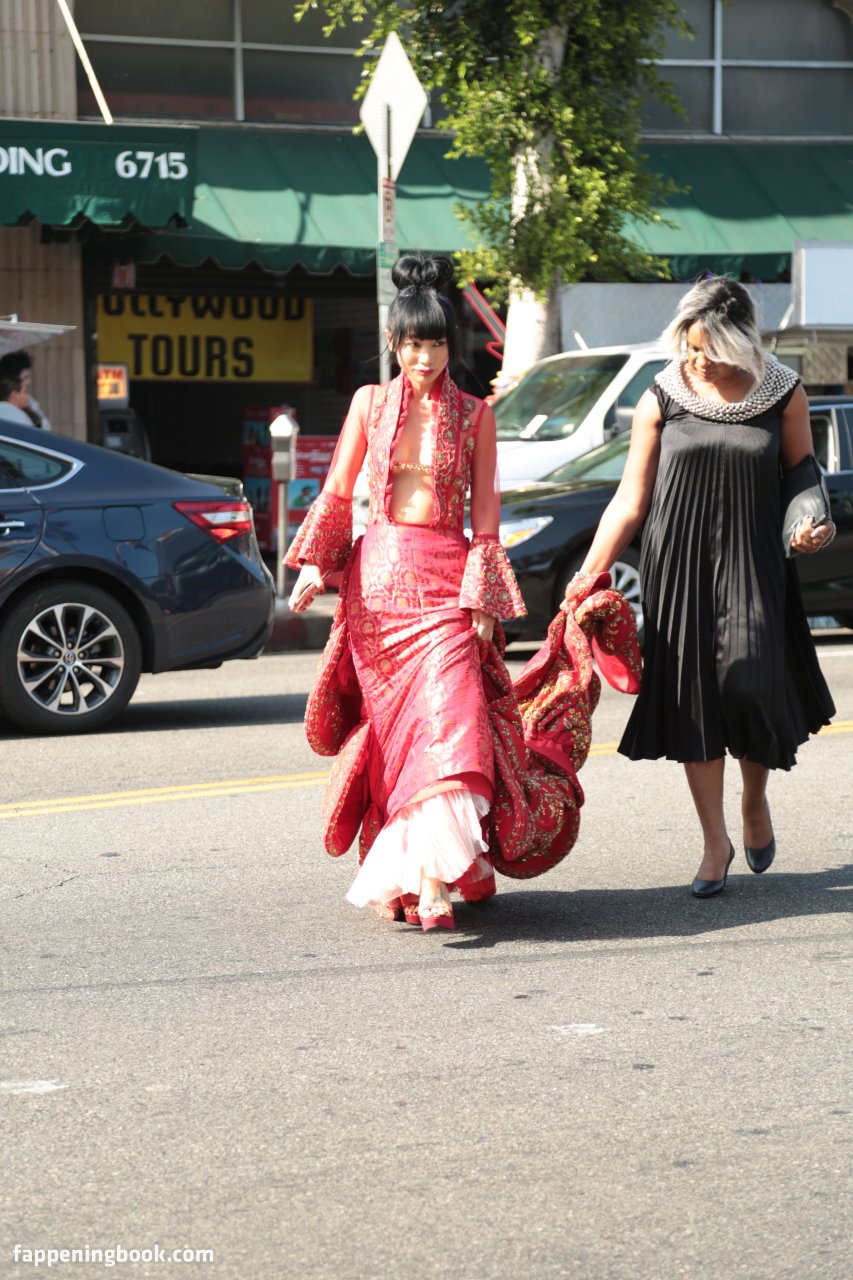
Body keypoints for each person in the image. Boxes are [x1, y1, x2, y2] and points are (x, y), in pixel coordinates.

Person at [285, 253, 529, 930]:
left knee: (451, 722)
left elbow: (486, 518)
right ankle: (416, 873)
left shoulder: (476, 415)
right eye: (413, 345)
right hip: (380, 589)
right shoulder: (369, 403)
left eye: (437, 345)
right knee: (401, 738)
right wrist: (314, 567)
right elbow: (339, 489)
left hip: (447, 584)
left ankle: (432, 881)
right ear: (394, 344)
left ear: (453, 346)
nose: (425, 358)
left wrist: (482, 599)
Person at [577, 275, 835, 897]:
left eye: (709, 348)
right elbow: (630, 499)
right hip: (678, 563)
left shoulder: (782, 391)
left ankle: (754, 801)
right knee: (694, 702)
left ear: (742, 341)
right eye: (689, 346)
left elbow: (802, 473)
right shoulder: (663, 395)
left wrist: (809, 522)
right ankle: (714, 840)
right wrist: (590, 571)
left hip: (754, 560)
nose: (696, 359)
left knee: (750, 685)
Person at [0, 351, 53, 431]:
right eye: (25, 377)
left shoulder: (29, 402)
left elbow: (46, 426)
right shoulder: (10, 412)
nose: (29, 382)